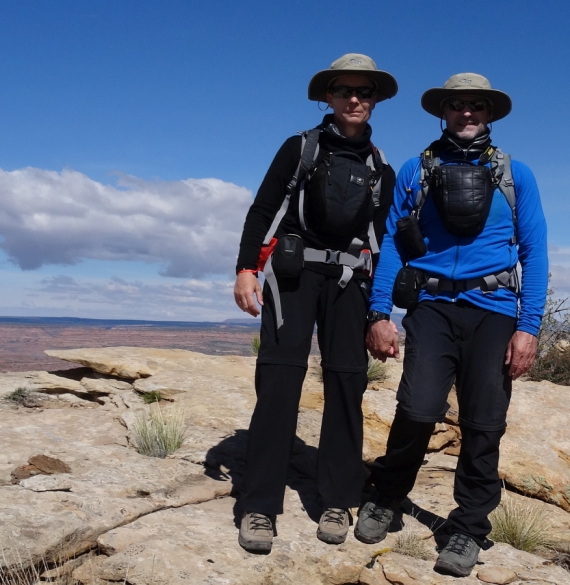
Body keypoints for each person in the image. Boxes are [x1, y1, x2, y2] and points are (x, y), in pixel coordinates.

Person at [359, 73, 548, 577]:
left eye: (477, 107)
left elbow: (535, 252)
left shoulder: (516, 175)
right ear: (444, 112)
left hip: (495, 311)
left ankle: (468, 529)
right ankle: (387, 494)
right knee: (417, 410)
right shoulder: (416, 170)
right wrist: (380, 314)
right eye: (458, 105)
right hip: (433, 308)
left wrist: (528, 327)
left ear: (489, 114)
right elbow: (397, 244)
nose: (467, 114)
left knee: (484, 424)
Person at [232, 53, 397, 553]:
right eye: (344, 90)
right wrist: (245, 269)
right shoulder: (300, 148)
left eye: (363, 93)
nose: (354, 99)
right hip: (293, 275)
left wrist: (381, 310)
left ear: (373, 101)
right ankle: (258, 506)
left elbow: (384, 239)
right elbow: (265, 208)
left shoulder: (381, 167)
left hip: (350, 283)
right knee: (280, 380)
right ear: (328, 96)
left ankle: (336, 499)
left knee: (347, 384)